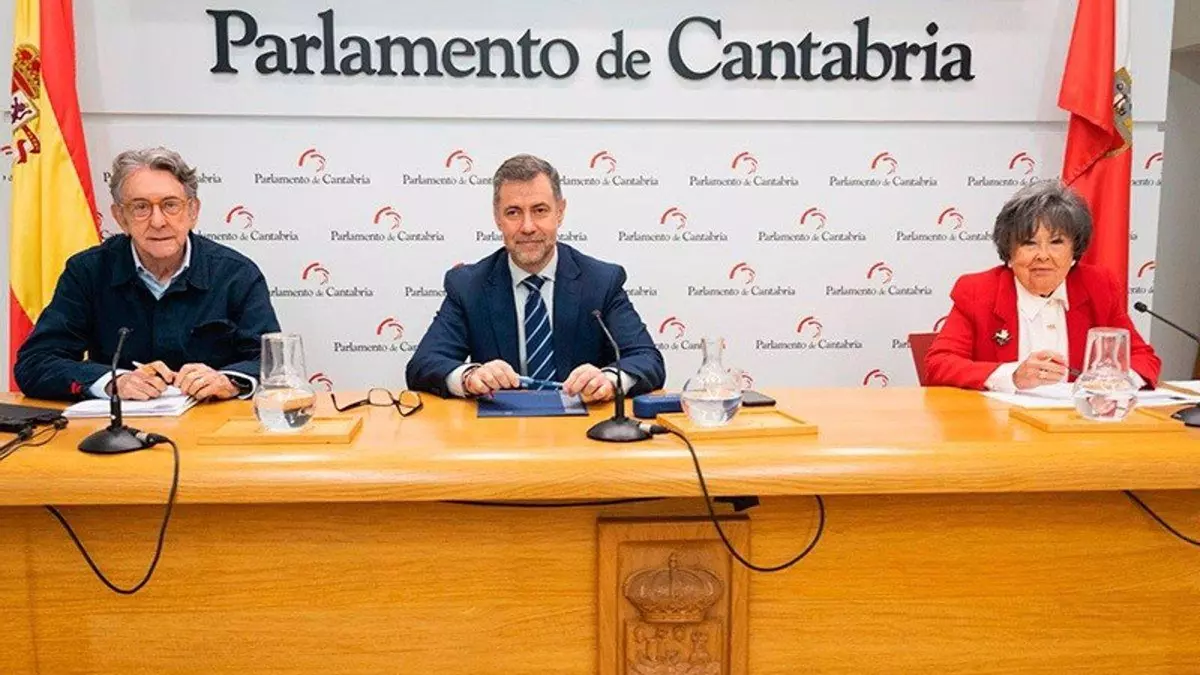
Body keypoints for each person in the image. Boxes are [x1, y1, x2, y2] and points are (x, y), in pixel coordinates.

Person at [14, 147, 281, 402]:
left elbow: (272, 363)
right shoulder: (88, 272)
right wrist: (113, 381)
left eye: (170, 205)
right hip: (118, 427)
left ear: (193, 211)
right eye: (140, 207)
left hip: (213, 425)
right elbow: (36, 363)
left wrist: (229, 381)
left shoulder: (236, 274)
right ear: (120, 217)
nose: (158, 221)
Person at [406, 153, 665, 401]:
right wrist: (469, 377)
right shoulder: (468, 286)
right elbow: (423, 364)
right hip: (499, 425)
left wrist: (608, 380)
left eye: (540, 210)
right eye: (513, 212)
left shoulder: (601, 281)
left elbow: (646, 359)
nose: (528, 227)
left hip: (583, 426)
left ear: (560, 212)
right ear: (497, 218)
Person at [925, 179, 1160, 391]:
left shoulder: (1098, 286)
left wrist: (1116, 382)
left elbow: (1143, 358)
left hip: (1079, 420)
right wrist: (1012, 376)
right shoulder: (978, 291)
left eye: (1056, 242)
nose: (1043, 256)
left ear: (1074, 250)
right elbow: (939, 364)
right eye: (1029, 243)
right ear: (1009, 252)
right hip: (1001, 421)